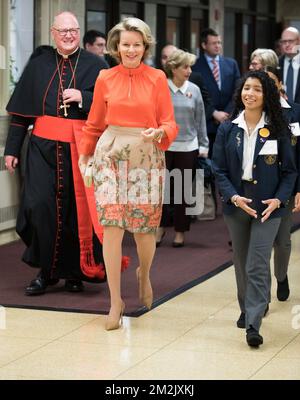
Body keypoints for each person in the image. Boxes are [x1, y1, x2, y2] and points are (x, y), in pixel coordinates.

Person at [78, 18, 178, 330]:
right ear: (116, 47)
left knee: (144, 230)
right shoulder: (105, 77)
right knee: (112, 226)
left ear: (145, 47)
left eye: (136, 44)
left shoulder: (158, 78)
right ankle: (115, 301)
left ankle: (144, 274)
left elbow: (170, 123)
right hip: (110, 155)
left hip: (146, 155)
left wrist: (159, 133)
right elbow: (94, 124)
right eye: (125, 44)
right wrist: (85, 157)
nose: (131, 50)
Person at [4, 11, 109, 295]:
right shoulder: (39, 64)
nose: (68, 35)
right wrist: (11, 149)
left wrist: (83, 97)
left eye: (73, 30)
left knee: (77, 212)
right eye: (62, 31)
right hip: (41, 148)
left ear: (79, 31)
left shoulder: (96, 65)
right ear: (53, 33)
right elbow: (20, 113)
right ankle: (46, 272)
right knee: (39, 207)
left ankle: (75, 273)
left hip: (81, 148)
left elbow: (111, 105)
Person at [212, 70, 297, 347]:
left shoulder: (277, 127)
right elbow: (218, 169)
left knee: (257, 263)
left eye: (257, 89)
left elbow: (290, 172)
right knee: (241, 260)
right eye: (247, 88)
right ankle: (247, 306)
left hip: (269, 205)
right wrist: (234, 197)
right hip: (238, 204)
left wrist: (280, 199)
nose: (250, 93)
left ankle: (253, 322)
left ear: (267, 95)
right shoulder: (228, 128)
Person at [156, 49, 209, 247]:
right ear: (173, 68)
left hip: (188, 146)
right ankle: (159, 228)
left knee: (182, 190)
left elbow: (200, 118)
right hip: (163, 145)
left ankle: (180, 231)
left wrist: (204, 144)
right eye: (185, 67)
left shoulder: (194, 89)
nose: (189, 70)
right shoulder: (161, 87)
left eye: (190, 67)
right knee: (161, 190)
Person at [265, 66, 300, 301]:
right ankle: (261, 294)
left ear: (279, 84)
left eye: (271, 82)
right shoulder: (253, 111)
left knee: (283, 241)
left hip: (288, 183)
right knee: (260, 243)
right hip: (260, 184)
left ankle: (281, 275)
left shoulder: (295, 113)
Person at [192, 28, 240, 158]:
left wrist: (227, 113)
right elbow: (196, 95)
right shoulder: (194, 66)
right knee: (203, 167)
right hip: (205, 125)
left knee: (226, 162)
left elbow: (237, 90)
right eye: (214, 43)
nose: (218, 46)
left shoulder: (231, 64)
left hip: (228, 121)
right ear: (204, 45)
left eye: (219, 42)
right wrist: (214, 113)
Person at [160, 44, 215, 121]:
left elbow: (205, 106)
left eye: (173, 57)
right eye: (164, 57)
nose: (168, 61)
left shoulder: (194, 81)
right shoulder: (157, 82)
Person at [279, 27, 300, 104]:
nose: (287, 45)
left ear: (298, 41)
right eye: (284, 42)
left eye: (290, 41)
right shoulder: (276, 64)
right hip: (281, 111)